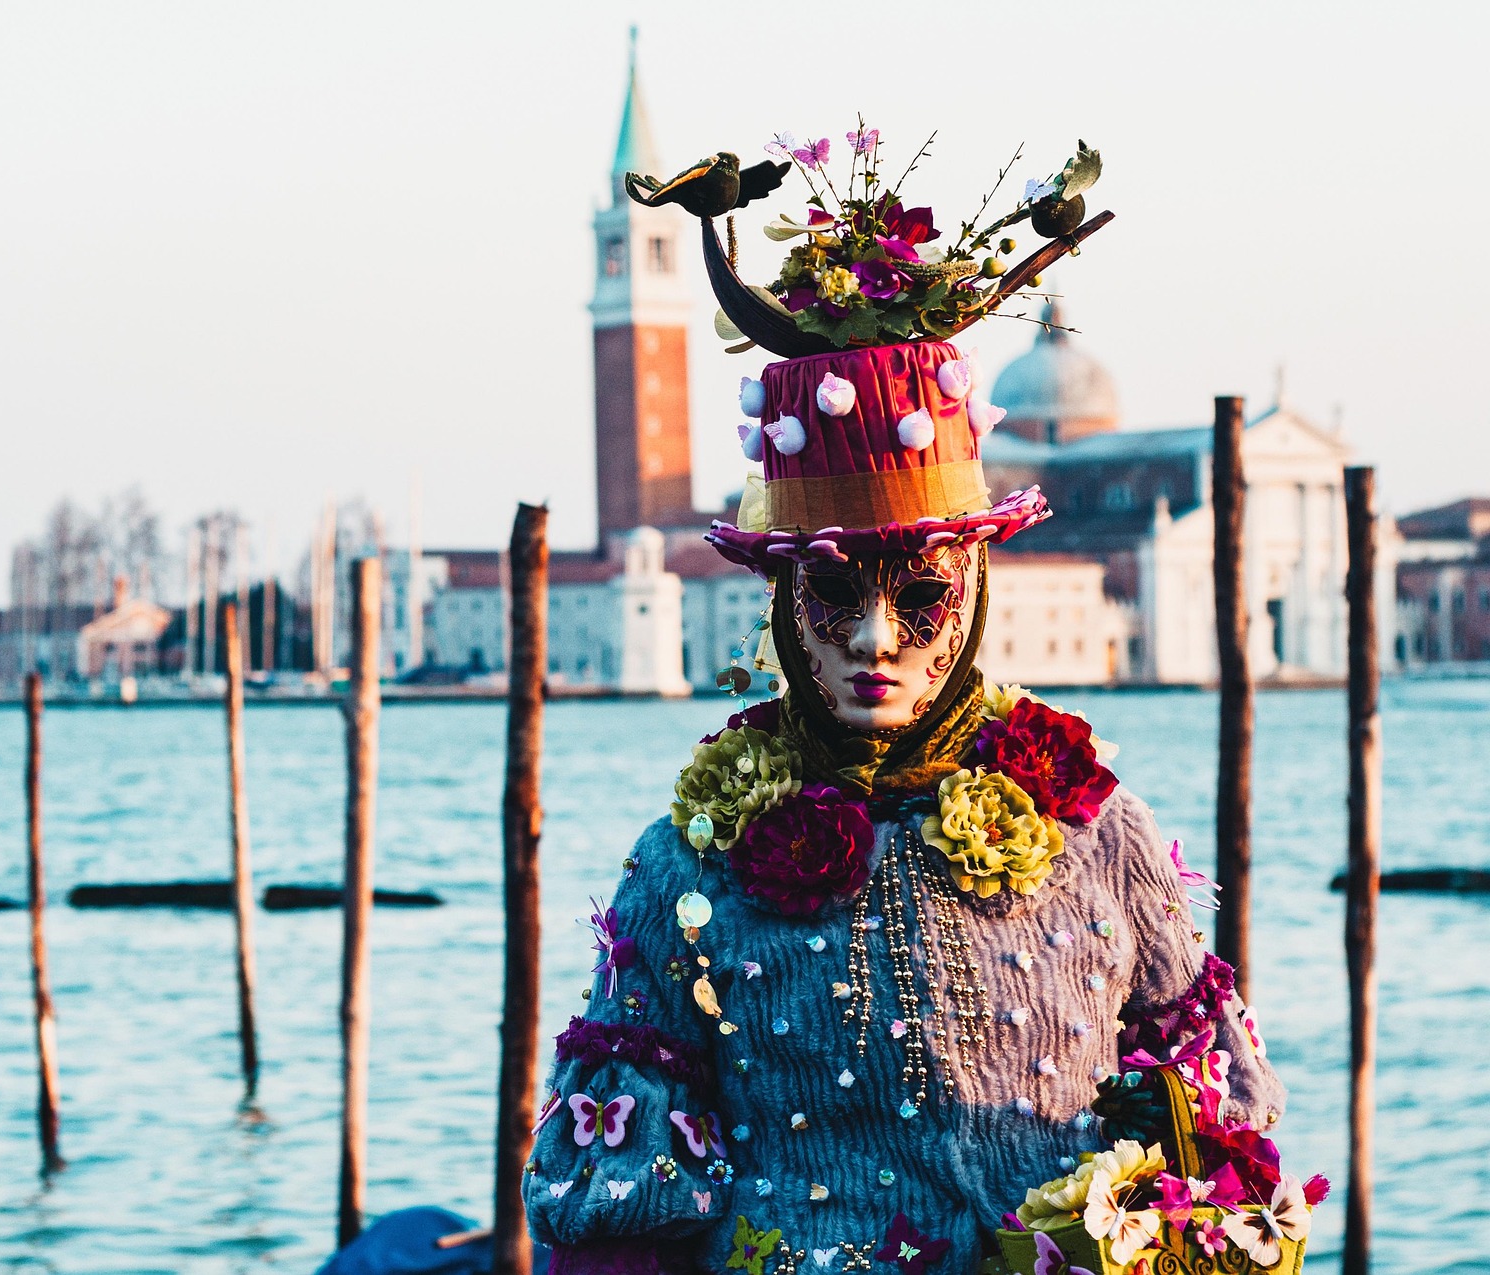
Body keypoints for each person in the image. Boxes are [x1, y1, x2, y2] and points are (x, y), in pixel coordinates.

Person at [519, 333, 1285, 1274]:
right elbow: (623, 1220)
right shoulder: (690, 861)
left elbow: (1208, 1117)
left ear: (974, 592)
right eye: (833, 593)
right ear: (783, 600)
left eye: (921, 594)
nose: (875, 638)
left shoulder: (1094, 827)